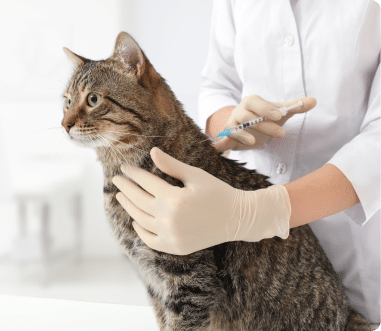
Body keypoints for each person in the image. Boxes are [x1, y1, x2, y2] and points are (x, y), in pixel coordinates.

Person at [112, 0, 381, 326]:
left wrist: (262, 211)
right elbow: (217, 85)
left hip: (353, 251)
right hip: (244, 256)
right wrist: (232, 126)